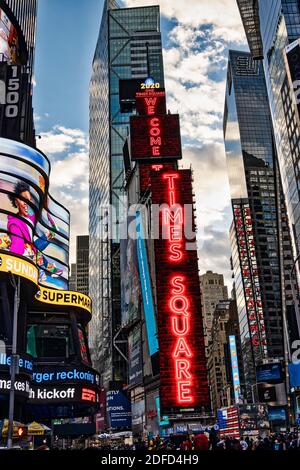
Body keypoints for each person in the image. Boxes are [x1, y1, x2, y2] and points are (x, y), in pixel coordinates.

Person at [7, 181, 63, 281]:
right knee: (34, 249)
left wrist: (43, 190)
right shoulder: (14, 223)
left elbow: (43, 206)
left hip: (31, 251)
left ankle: (46, 269)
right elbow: (17, 244)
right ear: (16, 202)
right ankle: (46, 269)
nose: (26, 203)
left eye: (28, 200)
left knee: (37, 247)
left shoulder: (30, 218)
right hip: (23, 254)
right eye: (23, 199)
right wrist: (13, 261)